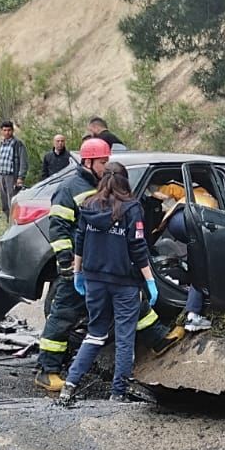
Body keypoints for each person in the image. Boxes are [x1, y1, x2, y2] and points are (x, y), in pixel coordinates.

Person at [60, 161, 157, 404]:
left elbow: (80, 241)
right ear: (125, 181)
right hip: (124, 283)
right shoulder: (132, 208)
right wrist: (150, 280)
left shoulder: (88, 206)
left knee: (95, 334)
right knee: (125, 337)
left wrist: (78, 272)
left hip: (94, 281)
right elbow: (138, 247)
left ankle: (69, 385)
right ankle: (118, 393)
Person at [34, 137, 109, 392]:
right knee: (64, 314)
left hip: (99, 265)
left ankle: (159, 339)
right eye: (102, 161)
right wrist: (66, 264)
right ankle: (47, 371)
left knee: (132, 301)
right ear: (88, 162)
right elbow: (59, 229)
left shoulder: (102, 185)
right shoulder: (69, 189)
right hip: (77, 267)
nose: (106, 166)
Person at [152, 182, 219, 332]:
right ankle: (193, 314)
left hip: (174, 219)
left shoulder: (195, 190)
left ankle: (192, 306)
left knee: (196, 256)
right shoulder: (217, 201)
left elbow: (166, 190)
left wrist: (156, 194)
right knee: (202, 263)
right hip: (192, 220)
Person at [0, 120, 27, 215]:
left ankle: (14, 221)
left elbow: (23, 161)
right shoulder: (0, 144)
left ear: (12, 131)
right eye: (4, 130)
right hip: (1, 175)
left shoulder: (18, 144)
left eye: (9, 130)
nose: (7, 132)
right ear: (1, 131)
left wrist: (20, 177)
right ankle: (8, 220)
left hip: (12, 176)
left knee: (12, 200)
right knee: (4, 201)